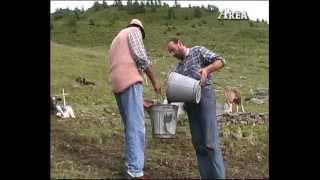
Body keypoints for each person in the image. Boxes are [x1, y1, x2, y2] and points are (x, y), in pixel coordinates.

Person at [166, 37, 226, 179]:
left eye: (172, 50)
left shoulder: (198, 51)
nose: (171, 54)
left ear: (179, 43)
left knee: (210, 143)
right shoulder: (179, 68)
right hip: (190, 105)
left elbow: (221, 61)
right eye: (169, 52)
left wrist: (206, 70)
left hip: (205, 98)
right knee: (199, 144)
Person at [108, 19, 161, 179]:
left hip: (117, 83)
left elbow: (123, 65)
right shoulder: (134, 31)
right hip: (129, 82)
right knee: (137, 128)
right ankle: (135, 172)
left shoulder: (117, 38)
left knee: (129, 126)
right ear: (140, 29)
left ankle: (131, 164)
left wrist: (139, 99)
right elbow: (141, 57)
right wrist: (154, 80)